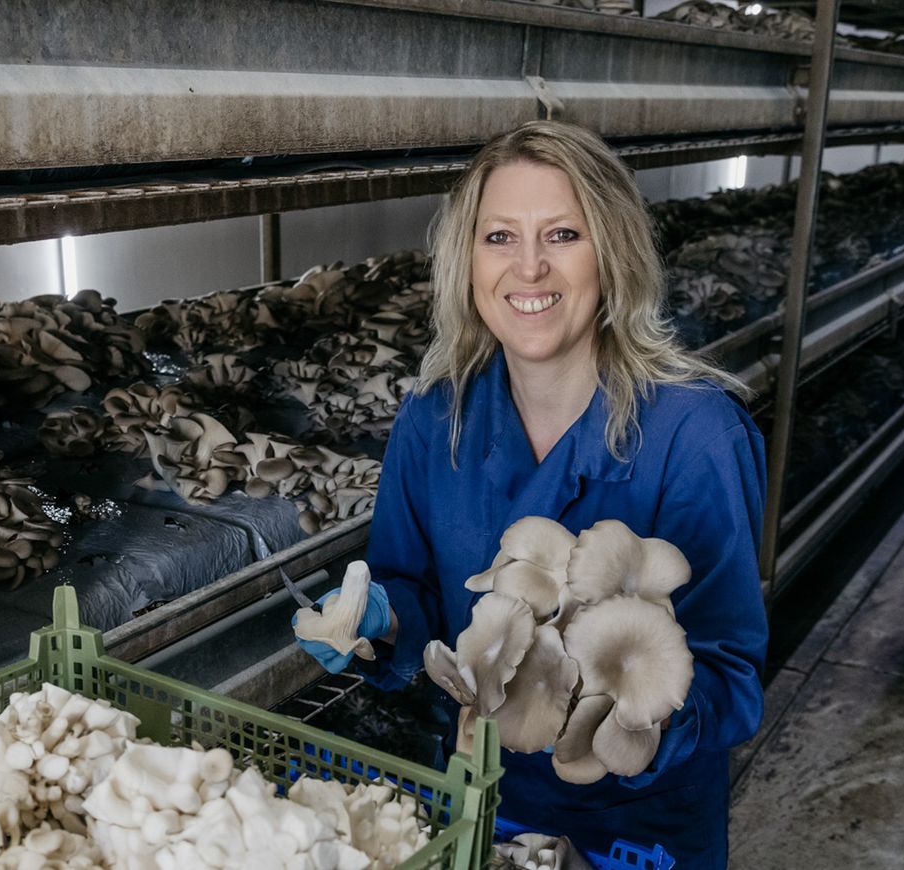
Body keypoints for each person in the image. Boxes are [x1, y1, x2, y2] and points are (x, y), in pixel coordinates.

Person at [295, 120, 768, 869]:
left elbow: (731, 674)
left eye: (563, 235)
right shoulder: (434, 422)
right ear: (467, 261)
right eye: (500, 238)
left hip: (642, 828)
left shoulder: (697, 435)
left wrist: (630, 719)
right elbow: (413, 593)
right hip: (484, 799)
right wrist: (378, 620)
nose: (530, 268)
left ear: (611, 254)